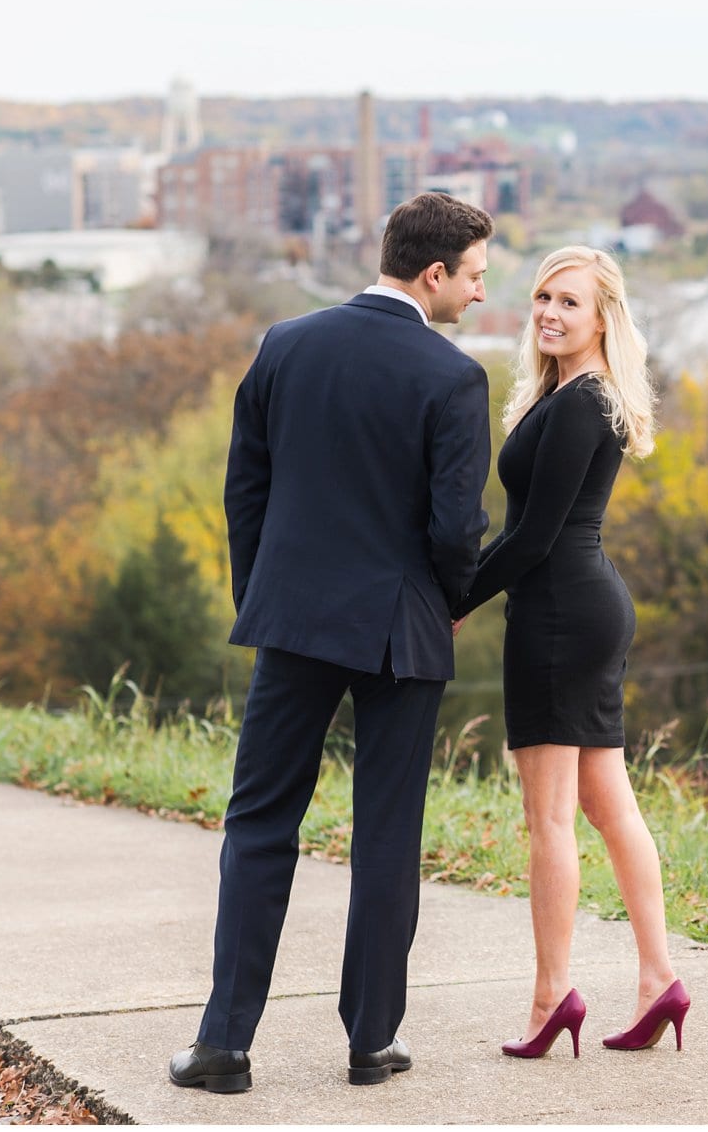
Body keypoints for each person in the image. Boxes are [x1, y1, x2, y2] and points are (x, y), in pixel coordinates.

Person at [169, 192, 495, 1093]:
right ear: (433, 273)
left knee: (259, 823)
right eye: (472, 277)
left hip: (294, 620)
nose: (477, 296)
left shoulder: (287, 343)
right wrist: (453, 601)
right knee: (387, 834)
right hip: (400, 631)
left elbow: (247, 489)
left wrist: (265, 597)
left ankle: (224, 1045)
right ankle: (370, 1042)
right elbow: (454, 528)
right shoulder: (453, 379)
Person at [452, 246, 689, 1060]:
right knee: (604, 805)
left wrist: (456, 601)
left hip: (559, 616)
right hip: (582, 607)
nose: (550, 312)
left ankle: (552, 995)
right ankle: (660, 979)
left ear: (603, 319)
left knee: (548, 818)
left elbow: (533, 537)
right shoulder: (571, 394)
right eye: (543, 297)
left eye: (571, 303)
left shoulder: (584, 402)